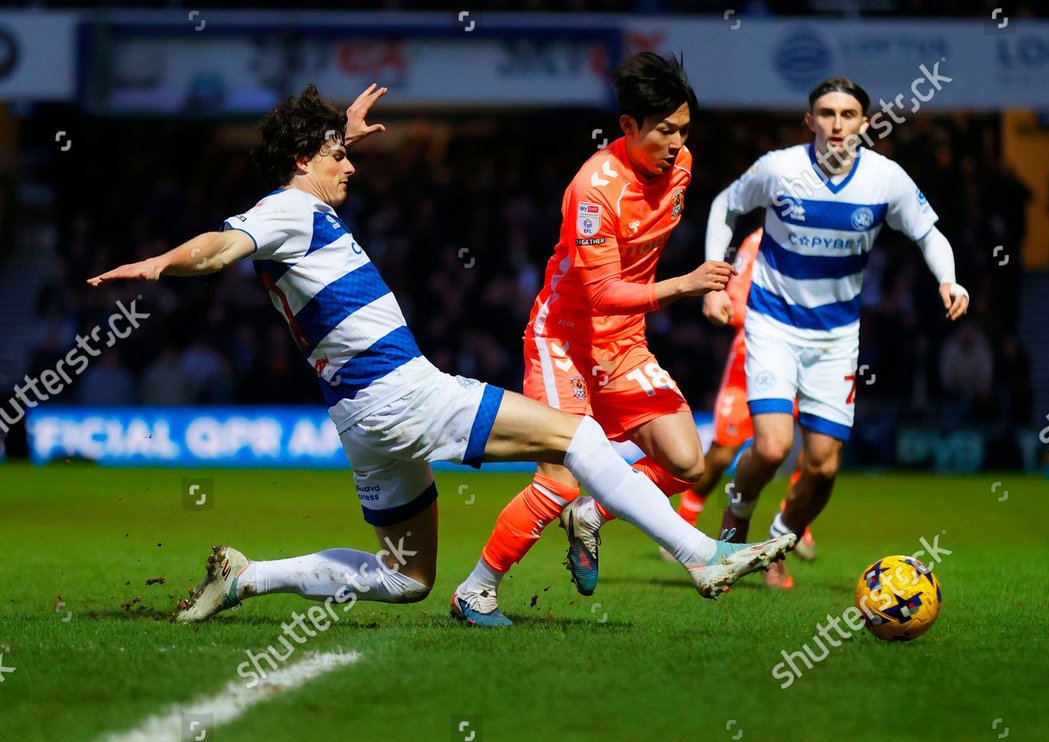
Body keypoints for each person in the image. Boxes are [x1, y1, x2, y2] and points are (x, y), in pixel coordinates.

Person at [86, 83, 795, 627]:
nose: (351, 168)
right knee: (574, 435)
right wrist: (161, 263)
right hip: (400, 392)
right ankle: (702, 556)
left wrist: (344, 133)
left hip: (362, 418)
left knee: (405, 578)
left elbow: (286, 200)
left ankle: (244, 579)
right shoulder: (285, 210)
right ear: (304, 162)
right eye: (339, 156)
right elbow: (218, 248)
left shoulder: (302, 208)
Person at [452, 52, 739, 625]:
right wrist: (686, 285)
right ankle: (476, 590)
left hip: (625, 342)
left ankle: (593, 512)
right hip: (565, 341)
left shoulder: (682, 166)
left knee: (688, 462)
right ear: (627, 127)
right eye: (663, 131)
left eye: (684, 130)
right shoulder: (593, 189)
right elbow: (604, 292)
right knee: (557, 475)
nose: (677, 143)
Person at [703, 76, 969, 586]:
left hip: (836, 337)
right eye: (826, 113)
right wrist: (716, 281)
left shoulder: (885, 179)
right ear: (810, 122)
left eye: (848, 115)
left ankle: (779, 539)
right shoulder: (779, 168)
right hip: (773, 323)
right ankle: (737, 517)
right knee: (775, 446)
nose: (837, 124)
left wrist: (949, 281)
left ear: (865, 124)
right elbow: (726, 206)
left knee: (823, 467)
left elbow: (928, 233)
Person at [668, 228, 816, 590]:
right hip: (752, 360)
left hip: (808, 360)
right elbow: (733, 305)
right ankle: (685, 518)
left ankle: (793, 524)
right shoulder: (758, 242)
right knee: (724, 452)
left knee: (812, 446)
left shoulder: (829, 235)